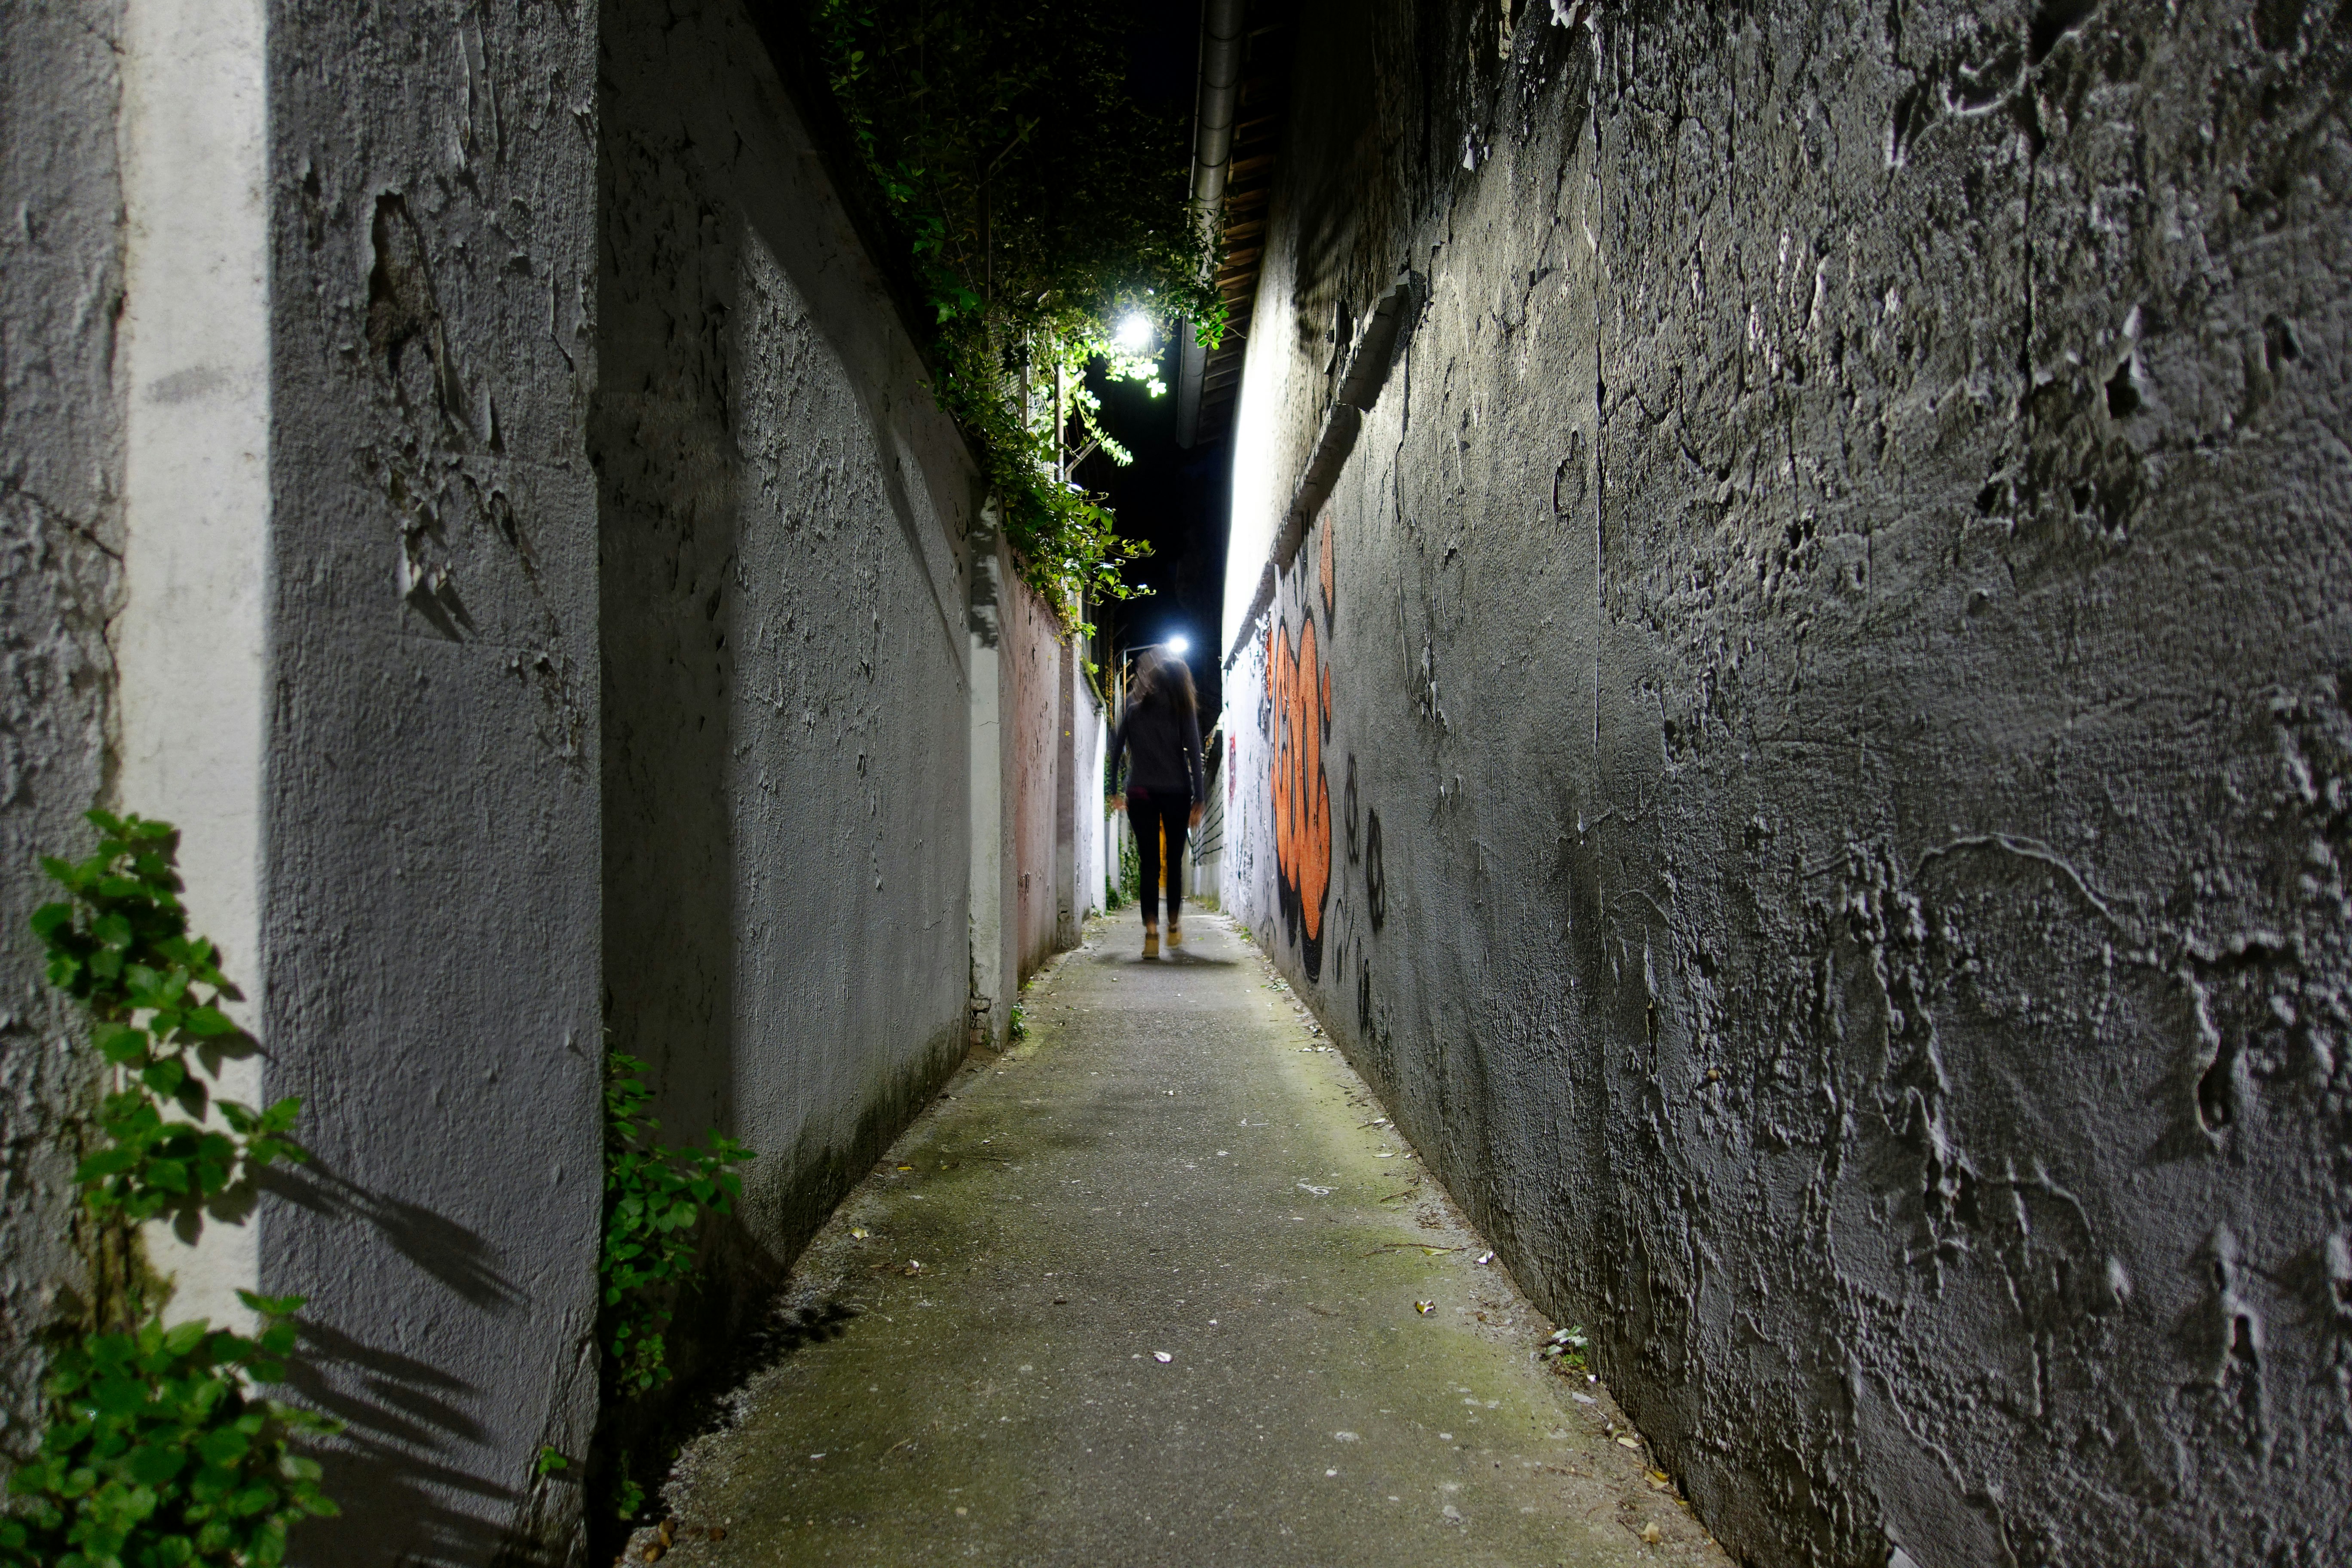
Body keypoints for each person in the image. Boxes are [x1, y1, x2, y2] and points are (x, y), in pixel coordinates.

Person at [1106, 645, 1204, 958]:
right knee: (1172, 863)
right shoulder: (1182, 709)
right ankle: (1174, 926)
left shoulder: (1134, 708)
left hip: (1140, 792)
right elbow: (1196, 755)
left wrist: (1114, 790)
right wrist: (1199, 797)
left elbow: (1116, 749)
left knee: (1149, 863)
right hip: (1176, 792)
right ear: (1181, 682)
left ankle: (1151, 934)